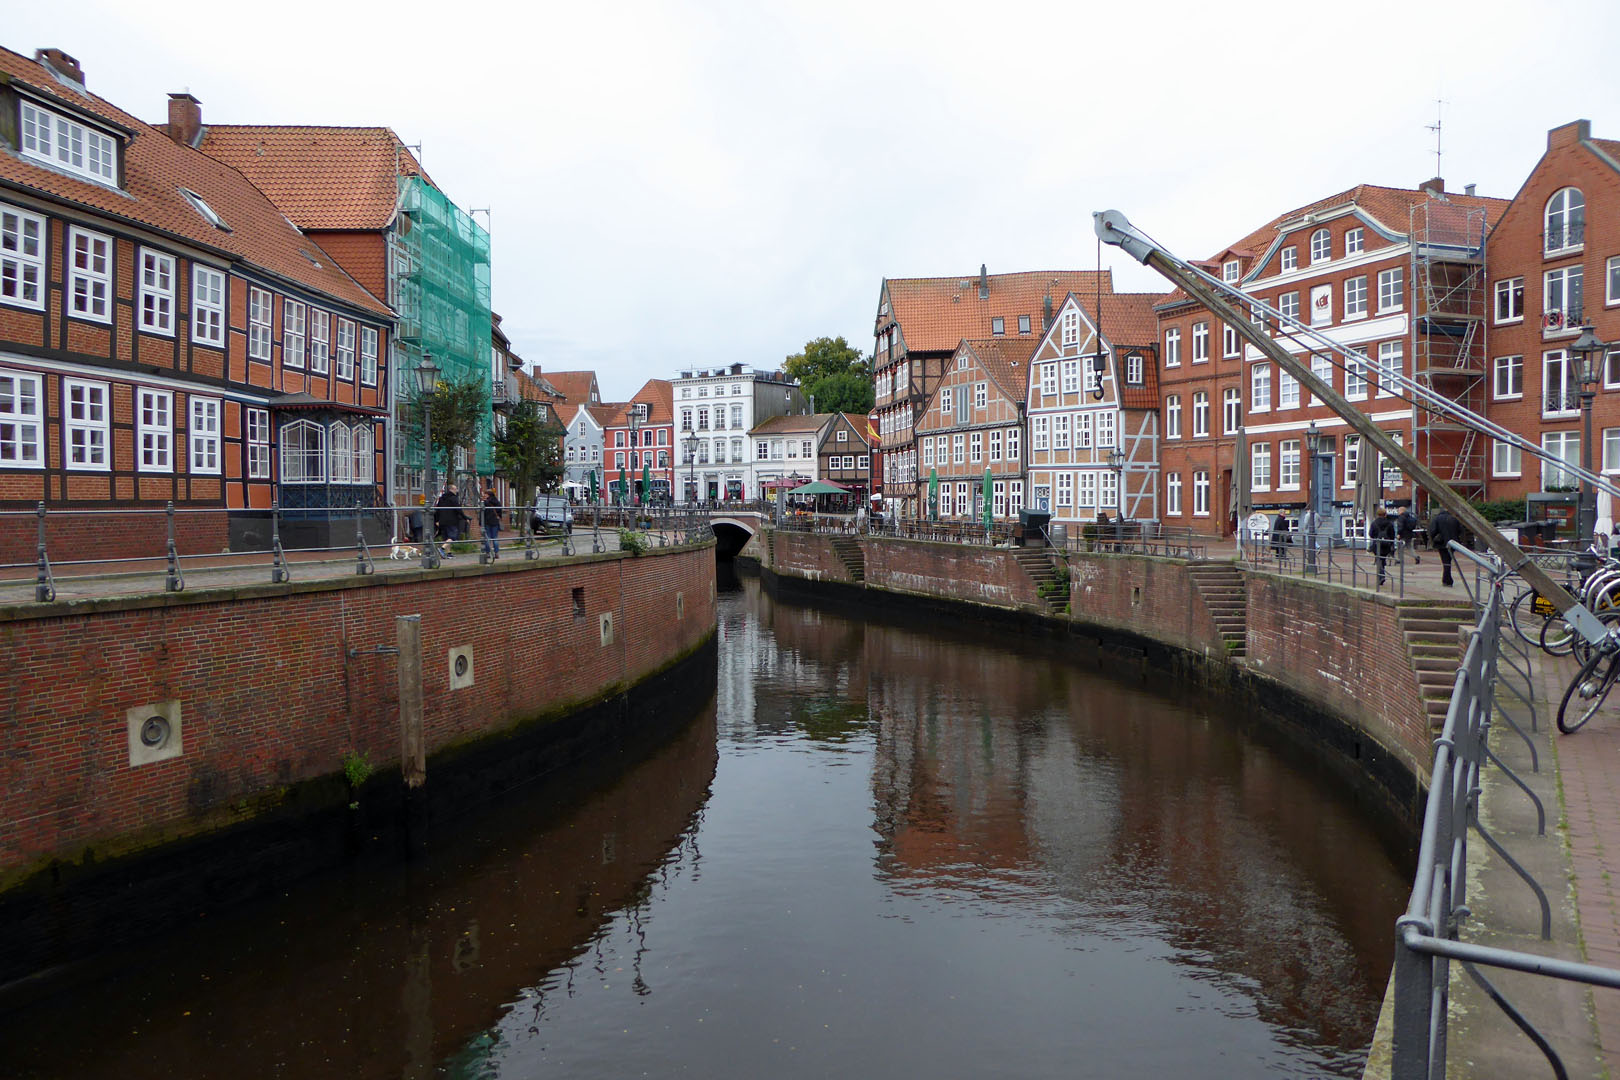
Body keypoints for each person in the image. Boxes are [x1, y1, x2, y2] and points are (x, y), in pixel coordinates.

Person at [1430, 506, 1464, 587]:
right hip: (1453, 542)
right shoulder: (1454, 519)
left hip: (1441, 542)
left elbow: (1433, 530)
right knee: (1448, 560)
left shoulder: (1436, 519)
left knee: (1445, 561)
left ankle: (1447, 579)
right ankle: (1447, 579)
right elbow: (1460, 530)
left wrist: (1434, 539)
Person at [434, 482, 468, 558]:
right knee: (453, 536)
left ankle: (448, 553)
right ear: (451, 489)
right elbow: (458, 509)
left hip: (442, 521)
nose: (457, 490)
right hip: (452, 520)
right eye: (455, 489)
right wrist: (465, 517)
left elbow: (437, 510)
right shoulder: (453, 498)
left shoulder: (442, 498)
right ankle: (442, 548)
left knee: (446, 537)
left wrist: (437, 520)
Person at [1369, 505, 1398, 586]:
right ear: (1385, 514)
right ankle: (1381, 575)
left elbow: (1371, 534)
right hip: (1386, 545)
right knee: (1382, 559)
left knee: (1379, 560)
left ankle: (1381, 576)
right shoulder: (1389, 523)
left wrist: (1376, 536)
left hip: (1377, 544)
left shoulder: (1374, 523)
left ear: (1377, 514)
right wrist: (1391, 543)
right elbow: (1392, 534)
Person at [481, 485, 502, 560]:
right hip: (495, 521)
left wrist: (481, 522)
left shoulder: (485, 502)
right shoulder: (497, 501)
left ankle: (488, 553)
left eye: (485, 494)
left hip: (487, 522)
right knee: (495, 537)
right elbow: (500, 511)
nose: (484, 495)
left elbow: (482, 512)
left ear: (488, 495)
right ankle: (496, 553)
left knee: (488, 538)